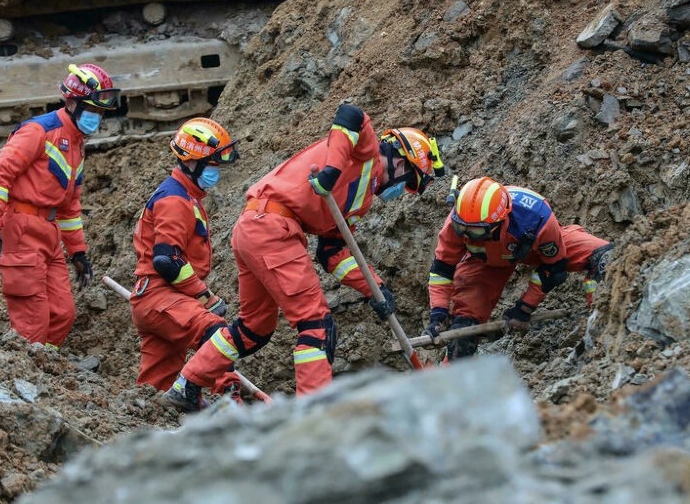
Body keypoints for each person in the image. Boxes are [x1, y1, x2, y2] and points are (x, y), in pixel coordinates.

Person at [164, 104, 445, 411]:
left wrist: (374, 289)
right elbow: (350, 115)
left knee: (252, 330)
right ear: (400, 160)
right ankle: (312, 416)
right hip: (273, 228)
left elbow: (332, 253)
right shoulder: (365, 153)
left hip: (254, 229)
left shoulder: (360, 201)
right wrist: (331, 172)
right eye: (410, 181)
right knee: (316, 325)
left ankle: (187, 385)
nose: (404, 190)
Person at [0, 63, 119, 347]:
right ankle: (28, 377)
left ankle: (43, 369)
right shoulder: (37, 131)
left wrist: (78, 253)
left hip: (49, 232)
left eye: (100, 112)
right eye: (92, 110)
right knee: (33, 319)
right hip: (21, 228)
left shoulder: (77, 144)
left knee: (62, 313)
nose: (97, 117)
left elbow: (69, 208)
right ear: (71, 101)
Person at [423, 176, 613, 360]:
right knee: (463, 325)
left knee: (604, 257)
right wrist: (438, 313)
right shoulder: (461, 220)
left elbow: (552, 269)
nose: (467, 235)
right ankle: (454, 372)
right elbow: (442, 269)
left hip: (532, 246)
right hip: (485, 260)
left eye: (476, 231)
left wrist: (524, 308)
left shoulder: (538, 217)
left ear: (500, 221)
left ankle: (604, 329)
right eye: (462, 229)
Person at [129, 117, 243, 395]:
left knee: (156, 388)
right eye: (212, 164)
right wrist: (204, 296)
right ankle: (229, 402)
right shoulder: (175, 199)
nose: (216, 171)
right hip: (162, 296)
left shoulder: (184, 194)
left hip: (157, 298)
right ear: (192, 162)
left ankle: (151, 423)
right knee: (216, 334)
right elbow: (167, 260)